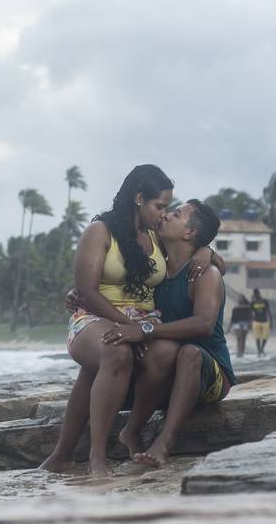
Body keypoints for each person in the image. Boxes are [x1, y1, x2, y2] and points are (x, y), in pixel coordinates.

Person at [38, 165, 219, 478]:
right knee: (116, 351)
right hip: (96, 315)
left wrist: (207, 251)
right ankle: (97, 458)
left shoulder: (156, 237)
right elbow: (87, 291)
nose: (163, 214)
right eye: (159, 206)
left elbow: (190, 246)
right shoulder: (100, 230)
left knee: (165, 353)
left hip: (142, 321)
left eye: (168, 209)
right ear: (138, 198)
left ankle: (82, 448)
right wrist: (129, 328)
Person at [101, 199, 235, 467]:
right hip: (166, 369)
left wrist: (146, 329)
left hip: (209, 372)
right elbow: (111, 278)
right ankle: (128, 432)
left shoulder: (204, 274)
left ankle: (164, 443)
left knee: (188, 352)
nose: (165, 216)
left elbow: (204, 324)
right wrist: (77, 291)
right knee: (121, 353)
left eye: (176, 214)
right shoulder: (156, 272)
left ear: (189, 233)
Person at [250, 288, 271, 357]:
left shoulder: (265, 301)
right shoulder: (253, 302)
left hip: (265, 321)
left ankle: (262, 349)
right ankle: (259, 351)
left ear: (259, 293)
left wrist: (271, 321)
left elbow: (268, 311)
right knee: (257, 337)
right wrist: (251, 322)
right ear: (254, 294)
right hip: (256, 321)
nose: (256, 295)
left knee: (265, 337)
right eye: (255, 294)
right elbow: (250, 313)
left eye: (257, 293)